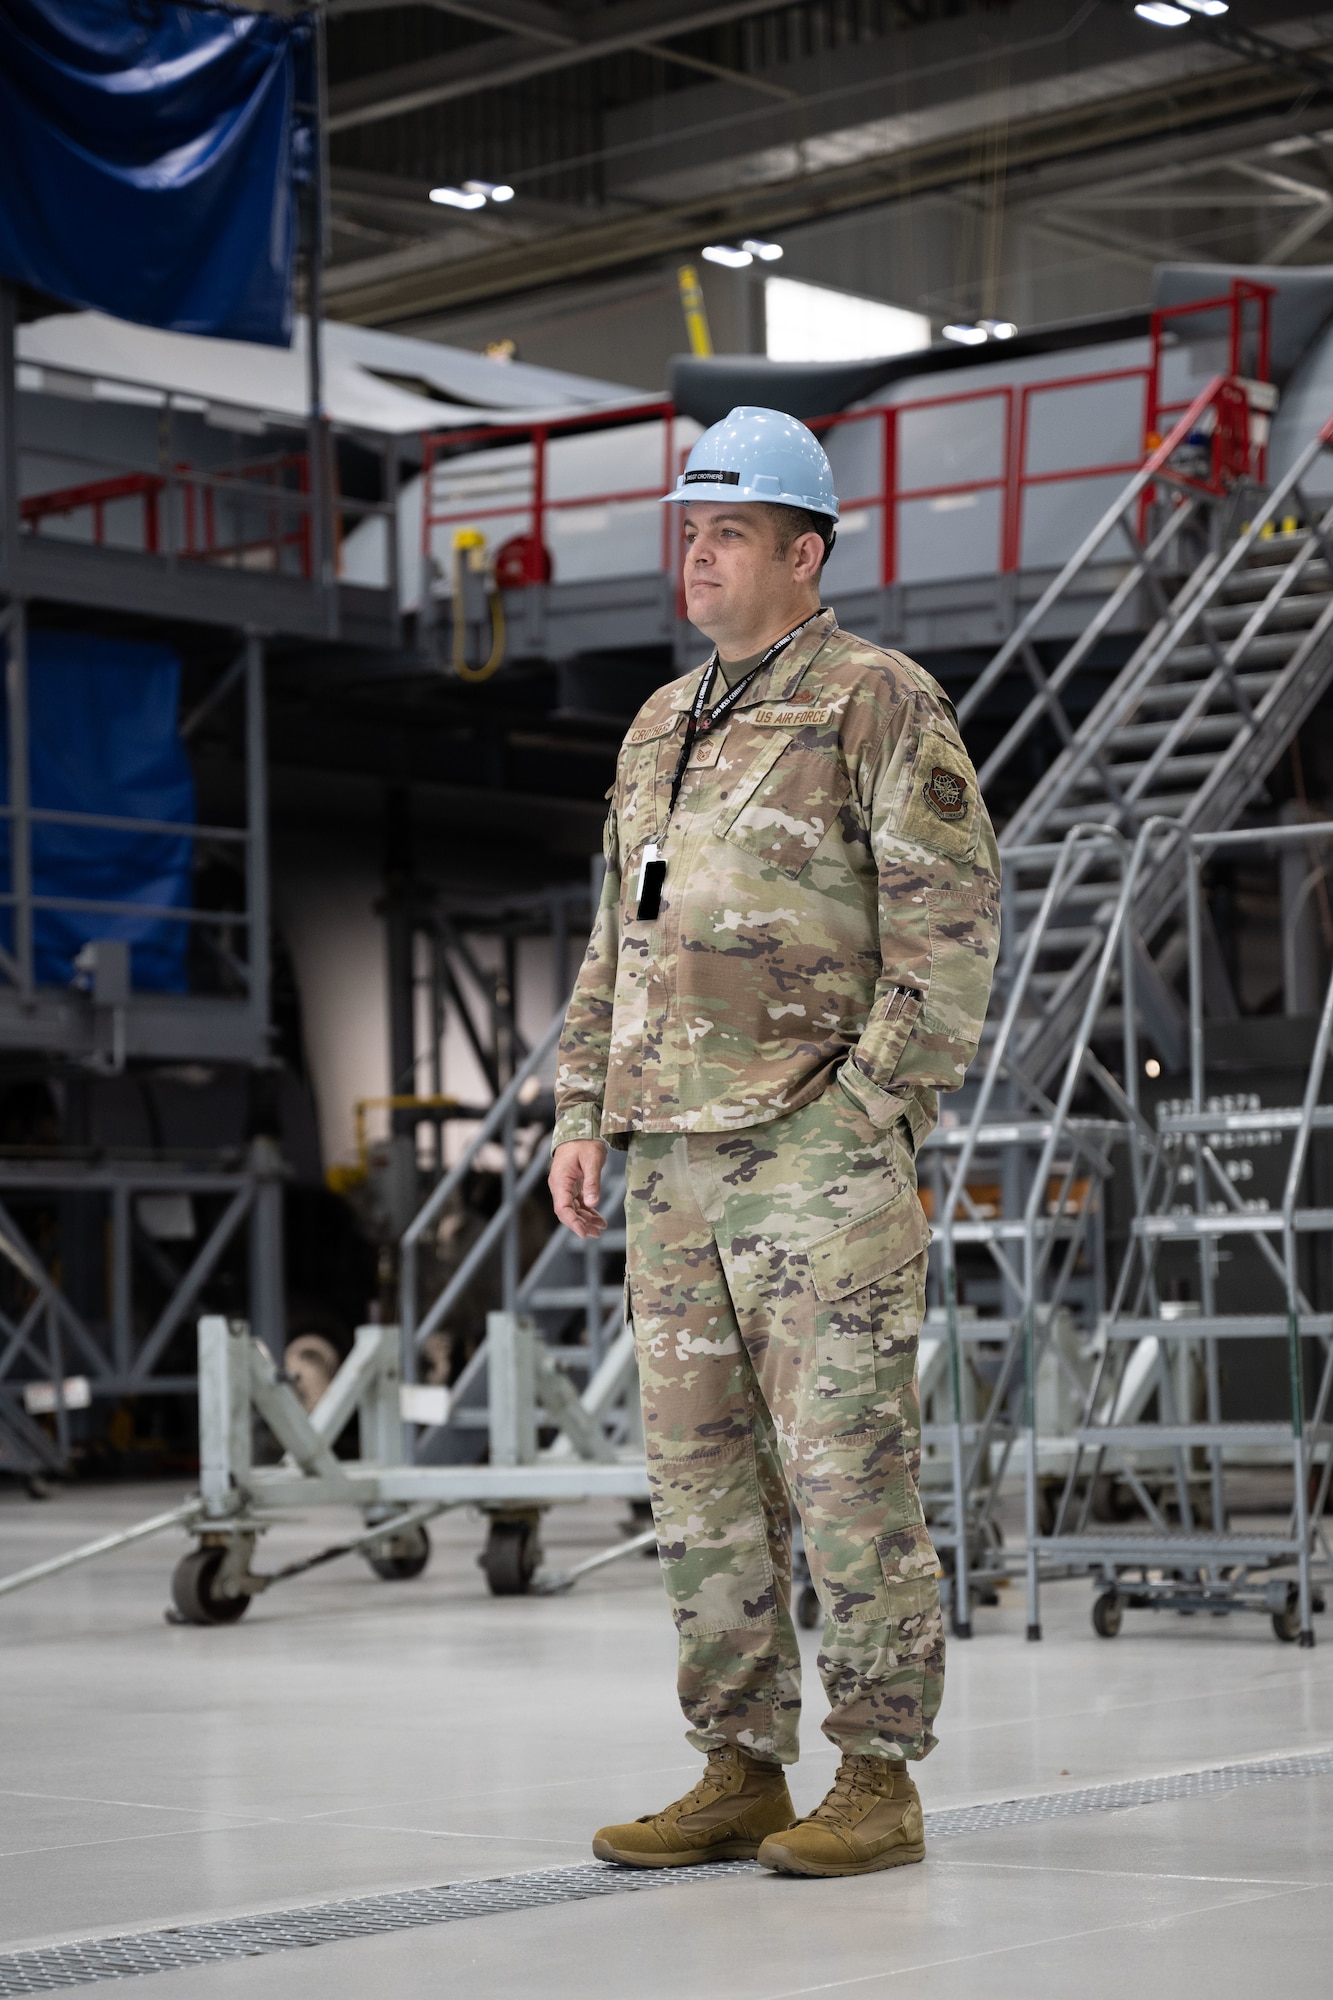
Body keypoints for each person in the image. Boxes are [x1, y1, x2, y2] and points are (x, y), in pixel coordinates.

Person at [548, 406, 1000, 1878]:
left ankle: (876, 1776)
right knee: (698, 1485)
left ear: (802, 555)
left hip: (815, 1154)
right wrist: (581, 1111)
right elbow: (620, 934)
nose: (697, 553)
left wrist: (870, 1110)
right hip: (671, 1157)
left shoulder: (877, 701)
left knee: (847, 1472)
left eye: (726, 531)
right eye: (689, 530)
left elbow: (949, 925)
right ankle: (738, 1764)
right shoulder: (657, 725)